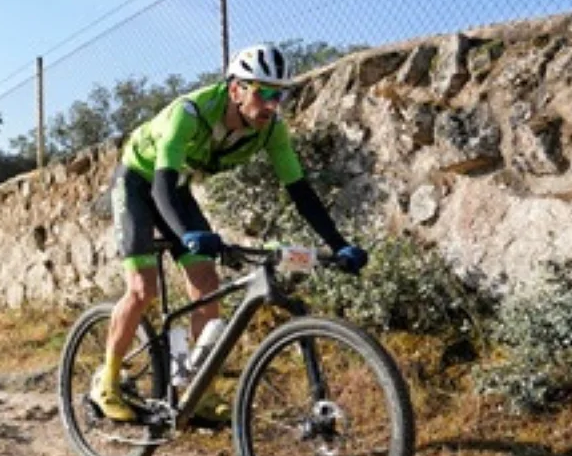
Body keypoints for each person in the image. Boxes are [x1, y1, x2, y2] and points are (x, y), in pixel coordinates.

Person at [93, 43, 368, 423]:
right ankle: (105, 380)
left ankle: (194, 393)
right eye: (264, 92)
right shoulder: (189, 113)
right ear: (236, 88)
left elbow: (301, 193)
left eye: (281, 94)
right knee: (143, 288)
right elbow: (160, 187)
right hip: (141, 180)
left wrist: (339, 244)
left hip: (178, 187)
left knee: (207, 283)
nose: (273, 104)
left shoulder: (271, 130)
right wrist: (186, 235)